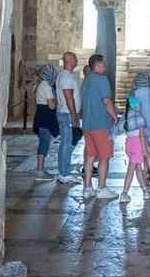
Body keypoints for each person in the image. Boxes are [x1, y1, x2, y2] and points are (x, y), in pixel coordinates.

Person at [80, 54, 118, 199]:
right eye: (103, 64)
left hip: (88, 124)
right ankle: (101, 188)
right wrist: (114, 117)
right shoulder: (102, 79)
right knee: (104, 157)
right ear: (98, 65)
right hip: (101, 124)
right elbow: (106, 101)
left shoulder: (86, 80)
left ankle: (87, 187)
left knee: (90, 157)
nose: (105, 67)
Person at [55, 52, 82, 184]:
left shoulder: (64, 75)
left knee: (66, 143)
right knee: (67, 144)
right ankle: (64, 173)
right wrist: (74, 115)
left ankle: (63, 171)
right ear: (70, 60)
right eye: (75, 59)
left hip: (65, 112)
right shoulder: (66, 76)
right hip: (67, 113)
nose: (76, 61)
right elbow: (68, 97)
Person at [120, 94, 150, 201]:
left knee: (137, 167)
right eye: (140, 105)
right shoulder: (139, 119)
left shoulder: (125, 117)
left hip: (129, 144)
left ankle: (145, 190)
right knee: (131, 169)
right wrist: (144, 150)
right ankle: (124, 192)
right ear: (136, 106)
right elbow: (141, 136)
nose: (141, 107)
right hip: (137, 145)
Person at [132, 70, 150, 189]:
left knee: (145, 150)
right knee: (149, 150)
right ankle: (148, 173)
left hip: (139, 125)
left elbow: (132, 108)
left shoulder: (134, 92)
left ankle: (147, 171)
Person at [33, 63, 60, 180]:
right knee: (44, 143)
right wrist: (57, 101)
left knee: (44, 142)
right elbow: (52, 105)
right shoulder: (46, 86)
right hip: (45, 117)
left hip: (42, 115)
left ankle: (41, 168)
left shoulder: (41, 84)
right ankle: (39, 171)